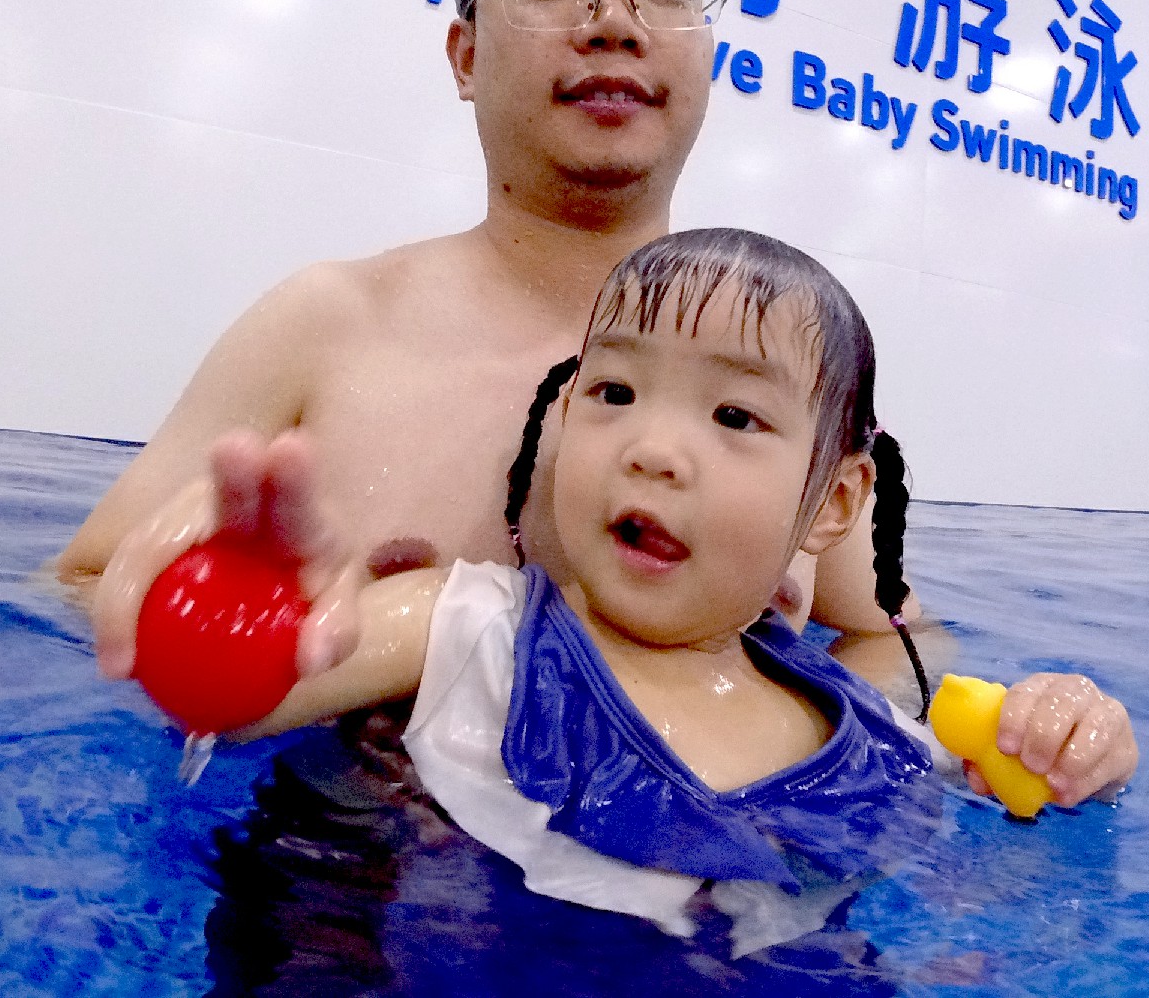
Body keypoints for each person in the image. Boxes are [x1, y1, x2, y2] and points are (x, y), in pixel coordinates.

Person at [54, 0, 1135, 807]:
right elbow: (74, 596)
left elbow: (894, 634)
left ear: (707, 53)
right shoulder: (325, 323)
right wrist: (208, 603)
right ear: (465, 54)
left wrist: (856, 729)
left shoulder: (777, 379)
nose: (614, 22)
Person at [200, 228, 967, 958]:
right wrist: (249, 605)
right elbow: (229, 702)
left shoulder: (875, 739)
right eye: (616, 391)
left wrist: (1036, 743)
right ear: (567, 419)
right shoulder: (462, 628)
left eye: (734, 415)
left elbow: (992, 820)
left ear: (834, 501)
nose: (652, 450)